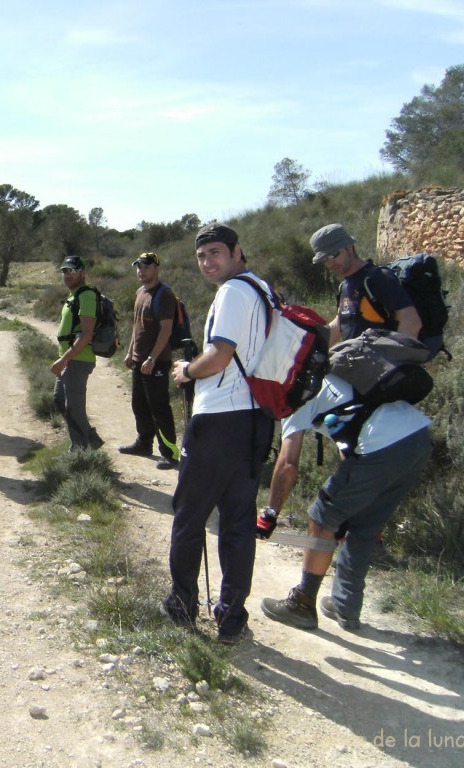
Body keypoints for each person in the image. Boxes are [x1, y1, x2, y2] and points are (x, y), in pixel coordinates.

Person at [166, 224, 275, 644]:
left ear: (236, 251)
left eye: (215, 252)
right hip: (255, 420)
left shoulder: (232, 292)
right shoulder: (263, 290)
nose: (207, 262)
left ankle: (182, 605)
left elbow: (219, 356)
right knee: (238, 521)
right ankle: (231, 615)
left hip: (218, 420)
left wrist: (185, 371)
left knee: (189, 517)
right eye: (201, 256)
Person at [258, 374, 431, 631]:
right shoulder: (326, 378)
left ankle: (302, 604)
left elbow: (287, 464)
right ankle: (345, 606)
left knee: (321, 518)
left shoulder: (296, 395)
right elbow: (349, 439)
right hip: (418, 438)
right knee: (364, 524)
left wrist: (269, 514)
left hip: (381, 445)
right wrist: (346, 507)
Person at [311, 223, 421, 345]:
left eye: (333, 255)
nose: (330, 263)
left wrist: (390, 359)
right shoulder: (344, 287)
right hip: (357, 362)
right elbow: (340, 324)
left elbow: (411, 322)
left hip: (385, 361)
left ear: (350, 247)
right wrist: (306, 348)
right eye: (324, 260)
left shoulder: (379, 278)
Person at [119, 252, 178, 469]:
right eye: (138, 267)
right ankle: (144, 443)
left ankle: (170, 453)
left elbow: (166, 329)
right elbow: (137, 327)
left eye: (145, 266)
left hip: (157, 362)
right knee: (139, 404)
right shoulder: (140, 292)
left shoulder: (164, 295)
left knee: (159, 407)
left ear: (156, 268)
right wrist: (129, 352)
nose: (141, 270)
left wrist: (153, 357)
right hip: (138, 360)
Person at [52, 255, 104, 451]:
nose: (68, 275)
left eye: (72, 270)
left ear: (83, 272)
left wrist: (63, 360)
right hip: (70, 360)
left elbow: (86, 334)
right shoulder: (74, 295)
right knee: (59, 400)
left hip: (78, 360)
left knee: (74, 407)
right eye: (65, 271)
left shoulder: (86, 295)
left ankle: (80, 451)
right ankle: (90, 437)